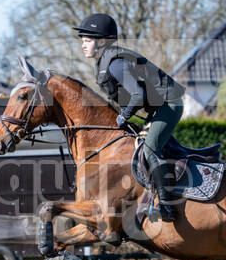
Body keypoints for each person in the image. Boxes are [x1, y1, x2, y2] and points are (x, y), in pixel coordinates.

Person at [72, 13, 186, 222]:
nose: (83, 45)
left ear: (102, 42)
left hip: (169, 105)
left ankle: (167, 207)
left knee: (150, 150)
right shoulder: (104, 61)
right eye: (83, 41)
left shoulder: (115, 63)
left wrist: (124, 116)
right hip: (157, 107)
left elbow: (137, 95)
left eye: (87, 41)